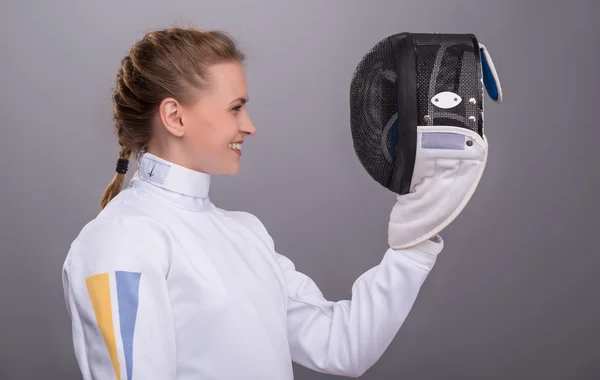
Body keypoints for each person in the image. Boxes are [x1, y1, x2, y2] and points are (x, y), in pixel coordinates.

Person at [61, 27, 444, 380]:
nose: (249, 125)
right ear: (175, 116)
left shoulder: (245, 233)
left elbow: (342, 344)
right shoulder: (121, 240)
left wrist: (417, 236)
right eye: (235, 108)